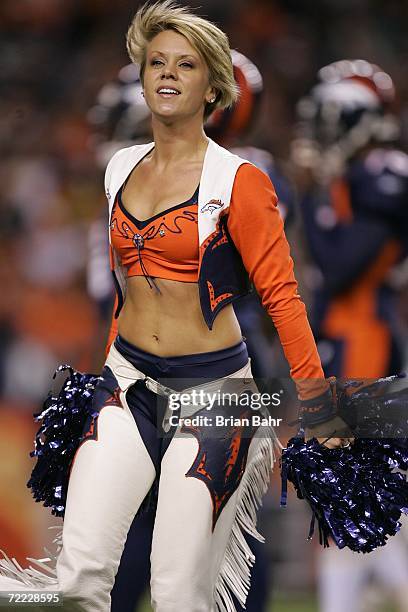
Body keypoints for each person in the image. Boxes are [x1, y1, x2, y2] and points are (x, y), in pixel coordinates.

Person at [0, 2, 348, 611]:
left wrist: (316, 404)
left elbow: (282, 296)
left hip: (218, 387)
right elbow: (125, 287)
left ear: (215, 88)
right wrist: (99, 375)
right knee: (79, 577)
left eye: (185, 65)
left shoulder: (245, 179)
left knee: (179, 585)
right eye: (156, 62)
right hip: (128, 379)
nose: (166, 74)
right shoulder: (117, 168)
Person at [291, 59, 408, 612]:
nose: (321, 135)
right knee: (345, 501)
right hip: (345, 340)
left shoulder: (383, 176)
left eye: (333, 120)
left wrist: (315, 194)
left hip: (367, 343)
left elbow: (340, 267)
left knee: (360, 499)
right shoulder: (356, 180)